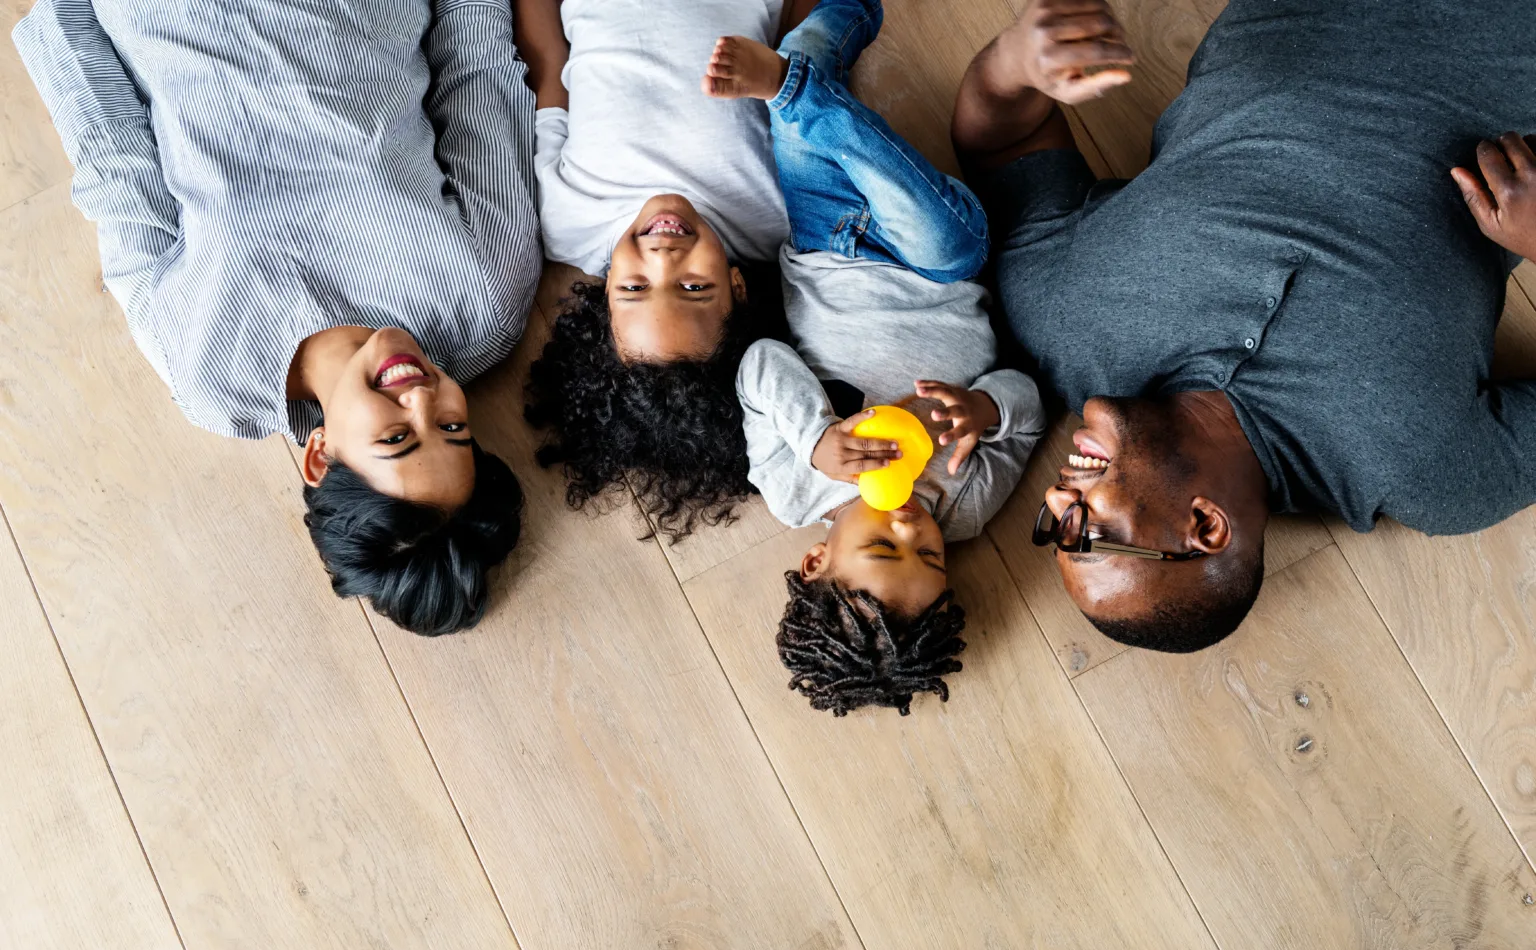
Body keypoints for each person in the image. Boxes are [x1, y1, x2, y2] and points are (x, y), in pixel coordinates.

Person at [952, 0, 1536, 654]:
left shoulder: (1063, 321)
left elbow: (1004, 144)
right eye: (1085, 536)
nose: (1060, 504)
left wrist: (1014, 63)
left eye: (1051, 526)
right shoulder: (1429, 472)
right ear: (1204, 526)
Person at [13, 0, 544, 635]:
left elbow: (117, 170)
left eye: (397, 438)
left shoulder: (211, 374)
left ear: (321, 456)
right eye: (454, 427)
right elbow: (476, 68)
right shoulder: (486, 296)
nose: (423, 401)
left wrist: (62, 11)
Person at [709, 0, 1047, 715]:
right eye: (929, 558)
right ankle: (799, 86)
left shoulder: (791, 486)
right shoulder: (966, 504)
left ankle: (834, 38)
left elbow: (760, 364)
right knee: (947, 231)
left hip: (825, 244)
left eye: (885, 551)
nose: (912, 532)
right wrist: (983, 411)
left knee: (805, 54)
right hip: (938, 273)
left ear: (817, 560)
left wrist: (816, 437)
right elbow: (1030, 406)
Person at [518, 0, 811, 540]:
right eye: (694, 287)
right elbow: (804, 62)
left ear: (605, 293)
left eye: (634, 287)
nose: (662, 258)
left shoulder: (566, 221)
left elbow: (549, 69)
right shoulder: (778, 216)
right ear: (738, 289)